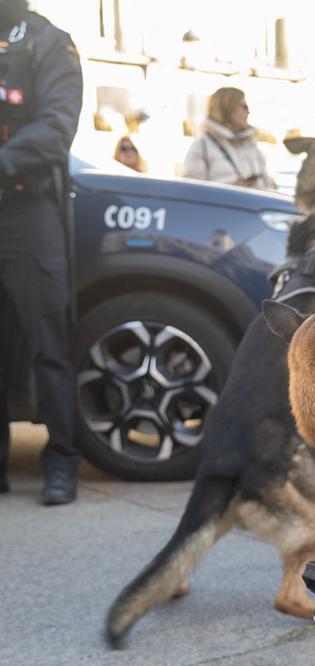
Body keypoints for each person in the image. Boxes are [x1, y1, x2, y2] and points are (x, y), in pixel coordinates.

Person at [0, 0, 82, 504]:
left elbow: (56, 127)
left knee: (51, 345)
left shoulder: (45, 41)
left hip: (26, 211)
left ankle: (62, 463)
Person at [182, 87, 274, 190]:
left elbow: (268, 185)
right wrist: (229, 190)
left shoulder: (251, 145)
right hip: (223, 205)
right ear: (227, 108)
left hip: (254, 205)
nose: (248, 111)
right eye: (244, 106)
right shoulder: (201, 146)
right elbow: (190, 192)